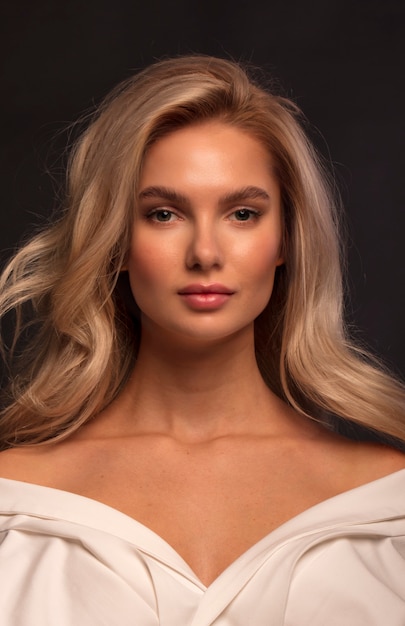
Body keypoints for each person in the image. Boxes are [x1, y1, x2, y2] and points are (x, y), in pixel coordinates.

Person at [0, 55, 404, 625]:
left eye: (242, 213)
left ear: (286, 238)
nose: (206, 253)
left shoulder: (389, 510)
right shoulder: (14, 505)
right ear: (115, 240)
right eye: (164, 214)